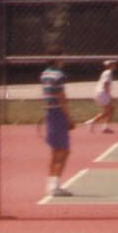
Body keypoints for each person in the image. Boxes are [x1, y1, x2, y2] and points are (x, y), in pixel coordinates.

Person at [38, 51, 74, 196]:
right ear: (57, 58)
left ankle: (52, 185)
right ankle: (54, 186)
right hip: (58, 113)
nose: (64, 59)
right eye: (62, 56)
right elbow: (61, 98)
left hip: (50, 113)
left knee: (55, 151)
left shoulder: (44, 74)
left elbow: (49, 96)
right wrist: (69, 119)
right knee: (64, 151)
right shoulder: (59, 75)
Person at [87, 59, 117, 133]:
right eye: (114, 63)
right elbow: (105, 85)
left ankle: (103, 126)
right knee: (110, 110)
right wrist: (110, 96)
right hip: (102, 93)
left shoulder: (107, 72)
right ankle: (93, 122)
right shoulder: (108, 72)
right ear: (110, 65)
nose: (115, 65)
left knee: (110, 110)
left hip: (101, 93)